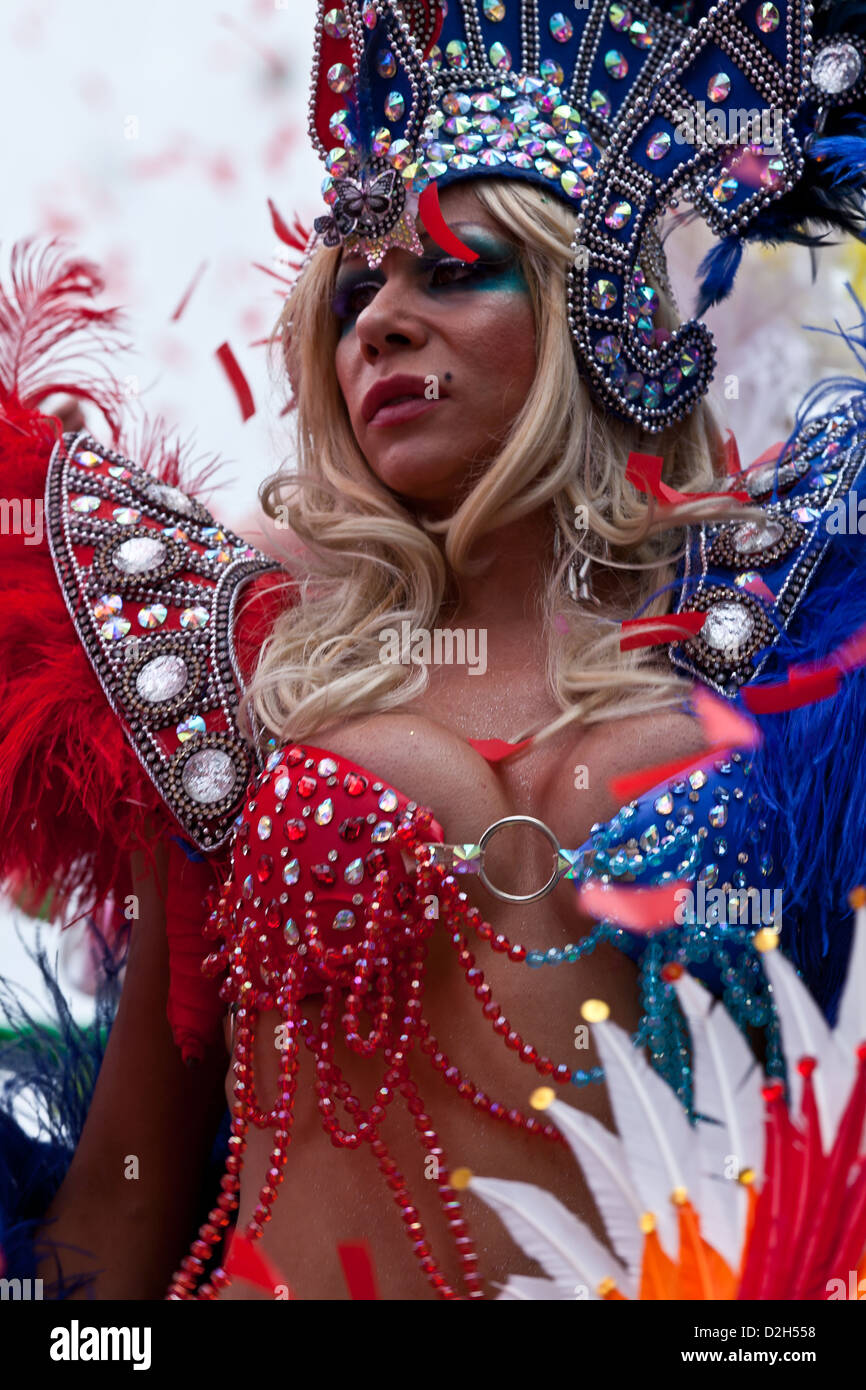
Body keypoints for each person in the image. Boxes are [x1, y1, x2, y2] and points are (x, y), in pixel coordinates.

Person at [2, 0, 866, 1302]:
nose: (381, 324)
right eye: (356, 294)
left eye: (453, 271)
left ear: (607, 308)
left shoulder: (794, 662)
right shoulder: (239, 690)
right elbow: (128, 1200)